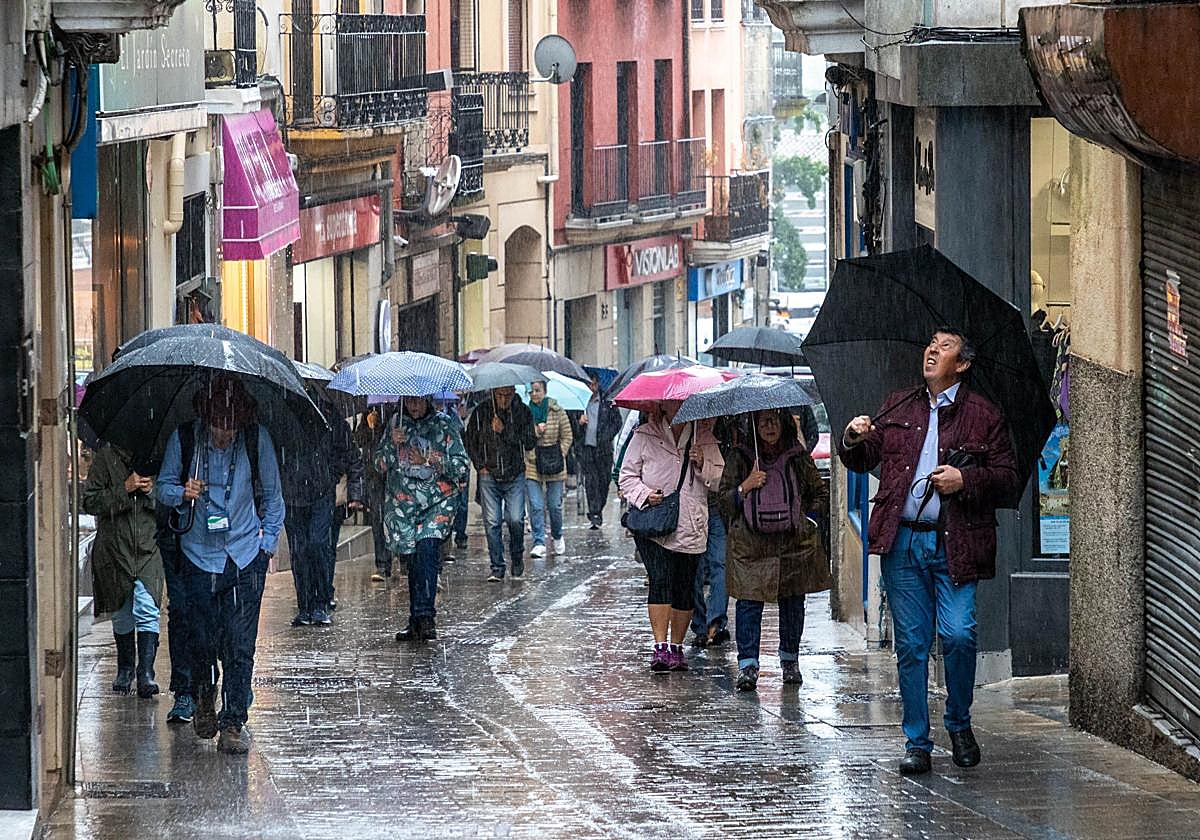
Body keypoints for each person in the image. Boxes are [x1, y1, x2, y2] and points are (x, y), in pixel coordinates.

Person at [840, 327, 1018, 775]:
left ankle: (958, 721)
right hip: (902, 540)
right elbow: (865, 460)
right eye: (931, 345)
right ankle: (916, 740)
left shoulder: (983, 414)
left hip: (956, 540)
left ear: (963, 364)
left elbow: (1008, 478)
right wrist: (853, 438)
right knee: (913, 646)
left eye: (945, 347)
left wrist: (966, 481)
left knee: (959, 634)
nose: (932, 351)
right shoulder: (900, 403)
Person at [157, 374, 285, 754]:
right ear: (205, 419)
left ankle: (233, 722)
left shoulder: (254, 439)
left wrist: (267, 543)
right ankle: (203, 692)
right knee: (201, 640)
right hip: (198, 554)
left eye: (230, 425)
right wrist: (182, 492)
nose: (224, 433)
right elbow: (161, 487)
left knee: (240, 643)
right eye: (218, 424)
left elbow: (274, 497)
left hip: (244, 554)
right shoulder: (184, 440)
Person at [719, 408, 830, 690]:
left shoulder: (797, 456)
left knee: (793, 602)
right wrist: (745, 486)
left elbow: (819, 493)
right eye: (763, 420)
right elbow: (722, 502)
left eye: (775, 420)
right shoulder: (740, 457)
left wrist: (808, 521)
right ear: (753, 424)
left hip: (792, 544)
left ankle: (790, 660)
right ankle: (747, 665)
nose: (769, 426)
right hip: (751, 545)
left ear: (784, 423)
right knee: (748, 603)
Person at [618, 402, 724, 672]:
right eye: (672, 403)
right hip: (655, 522)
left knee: (684, 586)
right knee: (660, 580)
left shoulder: (704, 436)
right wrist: (644, 495)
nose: (677, 407)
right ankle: (660, 647)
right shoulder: (644, 435)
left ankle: (677, 647)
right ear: (662, 405)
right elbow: (627, 477)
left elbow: (719, 479)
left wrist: (703, 464)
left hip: (691, 522)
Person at [375, 396, 470, 641]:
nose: (414, 408)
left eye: (418, 402)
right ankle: (415, 618)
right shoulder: (396, 423)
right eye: (409, 403)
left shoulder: (444, 425)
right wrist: (390, 446)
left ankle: (426, 616)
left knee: (427, 549)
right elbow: (379, 464)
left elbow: (461, 467)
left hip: (437, 503)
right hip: (404, 507)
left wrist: (430, 459)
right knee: (413, 559)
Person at [82, 444, 165, 700]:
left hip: (149, 546)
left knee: (147, 606)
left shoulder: (160, 457)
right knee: (121, 610)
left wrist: (153, 492)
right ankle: (125, 667)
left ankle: (146, 672)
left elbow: (174, 497)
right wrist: (125, 489)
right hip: (115, 548)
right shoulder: (105, 457)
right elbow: (90, 501)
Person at [280, 397, 363, 627]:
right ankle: (305, 605)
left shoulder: (329, 416)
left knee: (318, 546)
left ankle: (320, 602)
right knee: (300, 550)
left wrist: (347, 486)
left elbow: (351, 454)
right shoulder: (284, 415)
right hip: (293, 495)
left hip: (321, 494)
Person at [465, 386, 537, 581]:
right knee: (492, 521)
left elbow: (530, 441)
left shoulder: (522, 412)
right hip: (489, 473)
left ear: (513, 392)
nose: (504, 399)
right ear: (493, 393)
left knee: (515, 518)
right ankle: (497, 565)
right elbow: (470, 440)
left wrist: (505, 431)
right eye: (500, 395)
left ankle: (516, 556)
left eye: (508, 395)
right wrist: (480, 464)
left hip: (514, 473)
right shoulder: (482, 412)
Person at [525, 380, 573, 558]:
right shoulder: (526, 413)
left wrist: (559, 452)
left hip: (555, 463)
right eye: (531, 391)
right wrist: (537, 431)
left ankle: (557, 535)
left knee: (554, 506)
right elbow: (524, 437)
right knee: (536, 505)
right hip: (532, 463)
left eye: (537, 390)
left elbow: (567, 435)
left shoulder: (557, 410)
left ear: (544, 391)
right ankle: (539, 541)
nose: (534, 394)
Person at [577, 374, 622, 528]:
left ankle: (599, 508)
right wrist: (579, 422)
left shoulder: (607, 402)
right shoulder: (580, 402)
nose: (592, 388)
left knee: (603, 481)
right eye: (589, 385)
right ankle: (594, 513)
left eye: (594, 384)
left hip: (603, 449)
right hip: (587, 449)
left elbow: (617, 423)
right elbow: (572, 427)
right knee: (591, 482)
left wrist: (606, 436)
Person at [356, 408, 395, 582]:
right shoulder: (368, 413)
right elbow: (360, 441)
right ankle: (382, 563)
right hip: (374, 476)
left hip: (395, 476)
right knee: (377, 520)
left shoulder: (397, 414)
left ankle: (405, 558)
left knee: (398, 519)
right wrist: (370, 428)